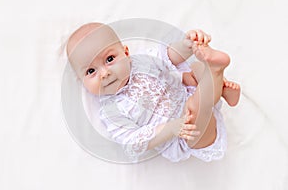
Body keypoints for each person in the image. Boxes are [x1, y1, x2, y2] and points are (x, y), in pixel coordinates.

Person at [66, 22, 240, 162]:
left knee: (196, 68)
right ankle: (216, 75)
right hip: (186, 135)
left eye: (110, 59)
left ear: (126, 53)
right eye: (91, 71)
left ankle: (215, 80)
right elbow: (132, 142)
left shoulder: (141, 61)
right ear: (82, 81)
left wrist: (188, 45)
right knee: (196, 111)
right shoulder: (111, 111)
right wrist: (171, 128)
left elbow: (169, 56)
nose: (105, 74)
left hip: (189, 90)